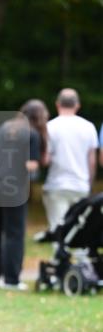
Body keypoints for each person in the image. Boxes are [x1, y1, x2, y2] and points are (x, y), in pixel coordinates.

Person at [0, 99, 49, 290]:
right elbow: (32, 165)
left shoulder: (5, 127)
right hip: (14, 188)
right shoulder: (32, 133)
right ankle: (11, 280)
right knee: (14, 233)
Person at [42, 89, 98, 232]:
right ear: (77, 105)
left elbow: (46, 160)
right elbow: (92, 162)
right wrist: (89, 184)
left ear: (57, 104)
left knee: (58, 230)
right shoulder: (89, 127)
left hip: (57, 185)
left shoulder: (49, 127)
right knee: (78, 231)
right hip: (80, 185)